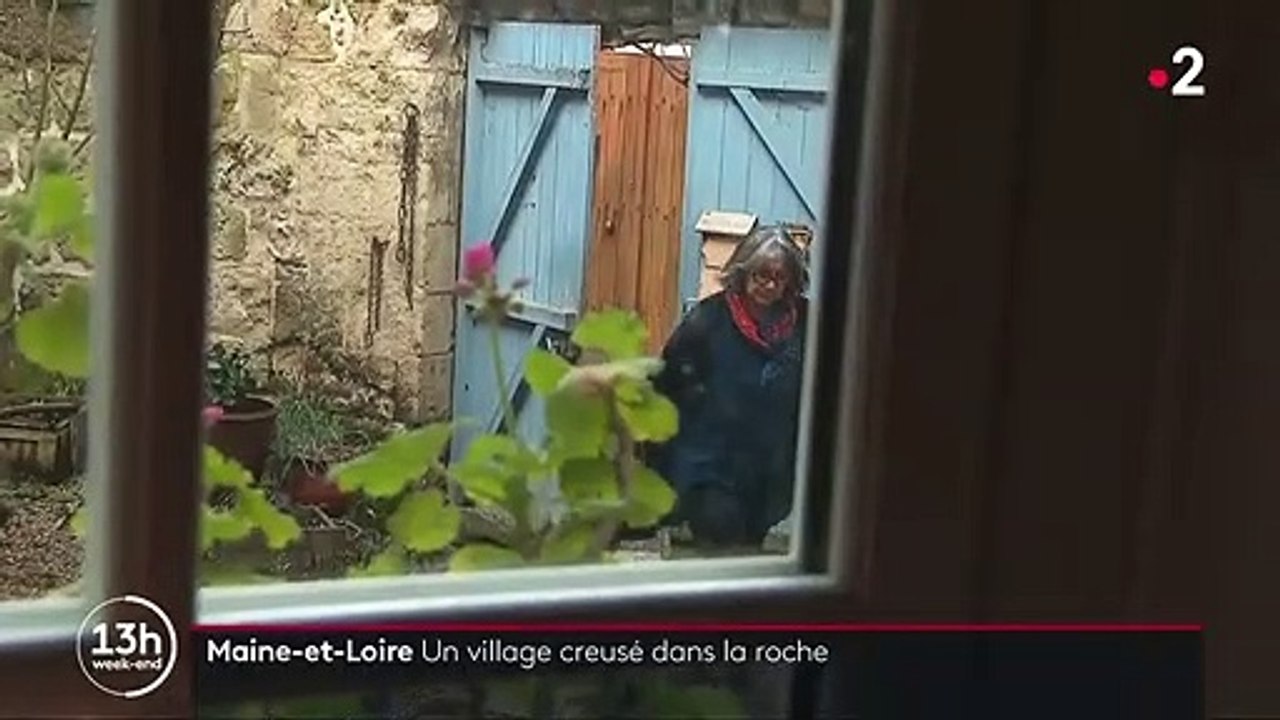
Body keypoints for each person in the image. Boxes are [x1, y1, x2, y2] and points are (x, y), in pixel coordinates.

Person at [648, 225, 809, 550]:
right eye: (760, 275)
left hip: (769, 467)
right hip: (709, 464)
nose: (769, 285)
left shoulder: (805, 323)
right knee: (723, 540)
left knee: (751, 541)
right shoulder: (708, 322)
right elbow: (667, 386)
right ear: (743, 271)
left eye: (779, 277)